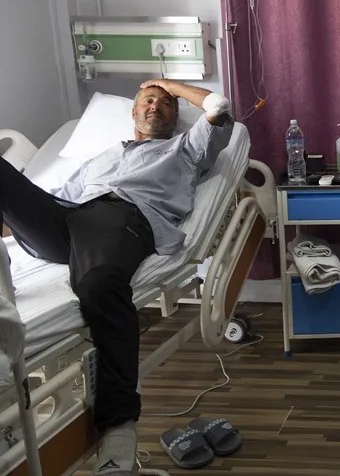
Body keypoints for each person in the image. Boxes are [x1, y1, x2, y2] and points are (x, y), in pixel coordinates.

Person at [0, 80, 233, 475]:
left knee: (99, 286)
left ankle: (119, 431)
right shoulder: (102, 156)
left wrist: (166, 83)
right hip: (69, 216)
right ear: (134, 113)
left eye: (165, 103)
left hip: (123, 218)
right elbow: (55, 202)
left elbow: (219, 105)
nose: (155, 105)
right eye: (147, 100)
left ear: (176, 117)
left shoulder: (185, 149)